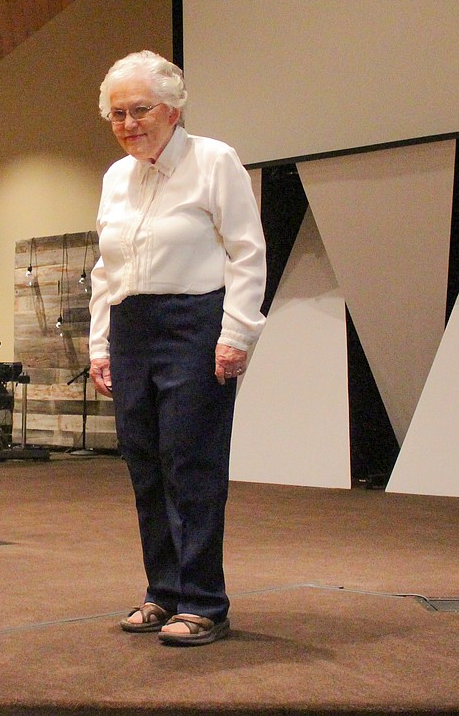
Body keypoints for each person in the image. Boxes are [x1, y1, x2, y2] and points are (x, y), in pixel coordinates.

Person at [88, 51, 266, 646]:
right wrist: (101, 344)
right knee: (145, 464)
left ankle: (204, 601)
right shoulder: (117, 176)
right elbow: (105, 267)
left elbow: (246, 251)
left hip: (195, 323)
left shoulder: (214, 161)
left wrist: (236, 334)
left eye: (140, 110)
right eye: (117, 113)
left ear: (173, 107)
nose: (128, 123)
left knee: (192, 463)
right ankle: (162, 591)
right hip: (130, 325)